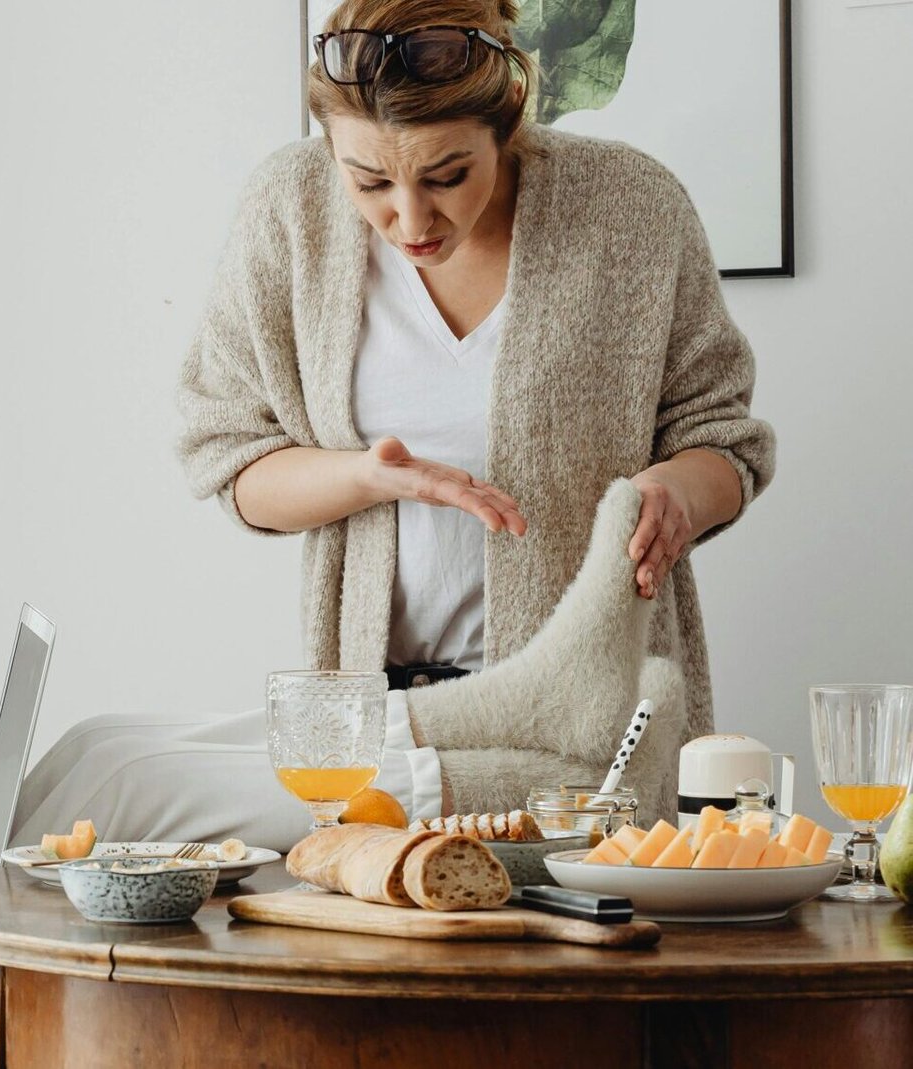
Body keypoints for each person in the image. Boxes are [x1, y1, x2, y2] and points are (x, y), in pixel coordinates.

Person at [172, 0, 776, 818]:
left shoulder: (633, 208)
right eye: (370, 181)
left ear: (509, 120)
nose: (410, 219)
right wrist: (370, 478)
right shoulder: (289, 213)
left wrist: (676, 493)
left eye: (447, 175)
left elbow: (724, 442)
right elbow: (230, 454)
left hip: (588, 735)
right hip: (377, 724)